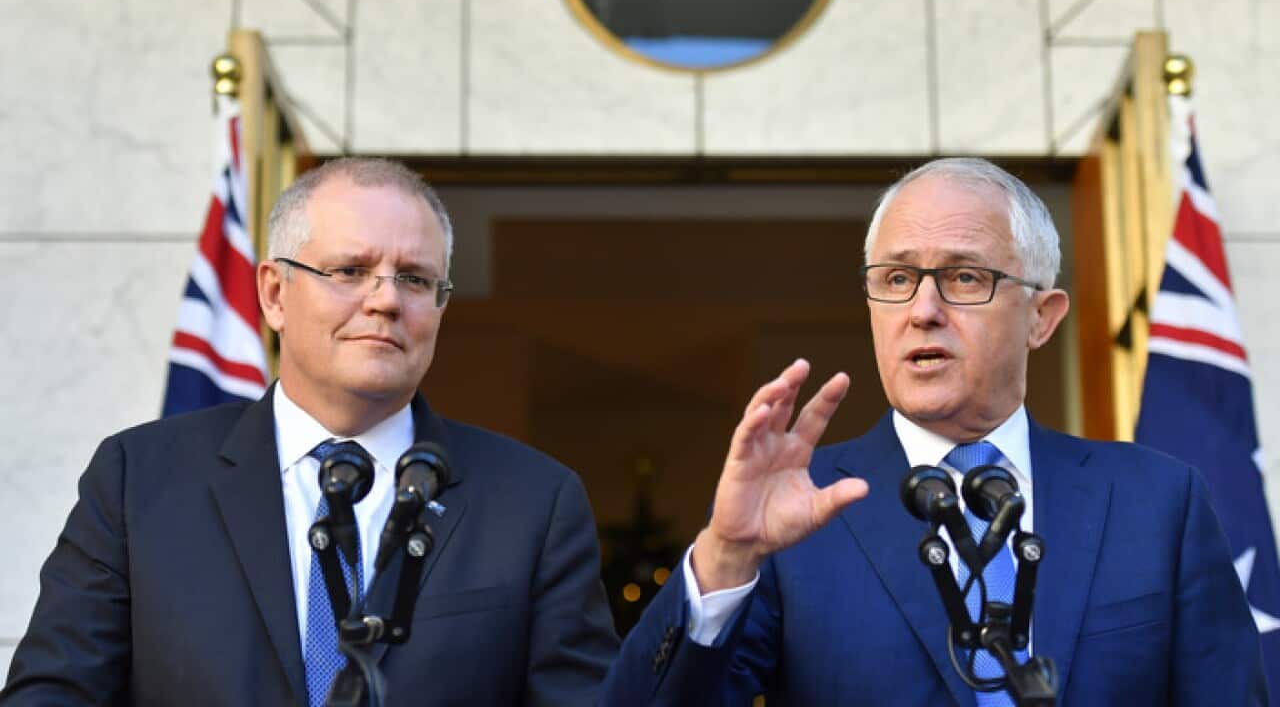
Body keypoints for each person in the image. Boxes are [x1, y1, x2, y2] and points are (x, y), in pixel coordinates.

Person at [615, 157, 1268, 705]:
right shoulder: (794, 514)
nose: (923, 310)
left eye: (964, 277)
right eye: (897, 279)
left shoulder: (1158, 502)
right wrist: (727, 556)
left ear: (1041, 317)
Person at [1, 158, 625, 706]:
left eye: (414, 278)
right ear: (275, 294)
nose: (386, 300)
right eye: (350, 270)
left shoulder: (533, 503)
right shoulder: (139, 480)